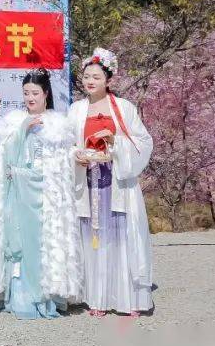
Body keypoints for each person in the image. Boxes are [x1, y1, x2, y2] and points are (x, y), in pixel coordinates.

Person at [0, 68, 81, 319]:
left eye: (35, 93)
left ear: (46, 94)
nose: (30, 98)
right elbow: (3, 161)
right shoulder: (14, 122)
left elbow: (63, 164)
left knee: (45, 244)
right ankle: (21, 297)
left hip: (46, 196)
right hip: (19, 195)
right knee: (21, 244)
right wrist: (22, 130)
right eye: (26, 93)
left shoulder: (58, 125)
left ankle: (49, 295)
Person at [66, 48, 154, 317]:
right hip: (88, 181)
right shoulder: (76, 110)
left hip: (116, 183)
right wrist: (75, 155)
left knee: (120, 238)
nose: (90, 81)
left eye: (96, 76)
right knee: (93, 238)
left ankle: (128, 298)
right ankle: (97, 297)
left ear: (108, 79)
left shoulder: (124, 108)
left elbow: (143, 142)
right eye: (86, 76)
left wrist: (116, 144)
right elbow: (65, 145)